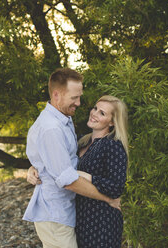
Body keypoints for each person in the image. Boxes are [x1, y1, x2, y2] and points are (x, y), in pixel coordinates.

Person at [22, 68, 120, 248]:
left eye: (79, 97)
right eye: (74, 98)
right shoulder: (51, 128)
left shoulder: (62, 121)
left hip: (66, 213)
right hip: (55, 215)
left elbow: (54, 160)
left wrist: (36, 167)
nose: (79, 103)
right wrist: (108, 199)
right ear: (57, 95)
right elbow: (67, 180)